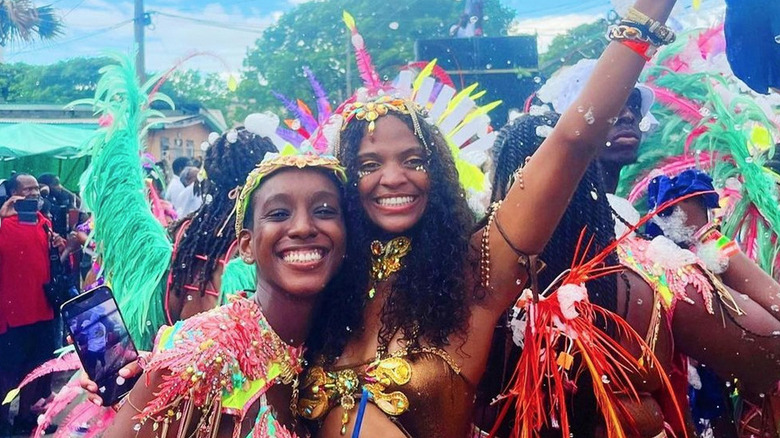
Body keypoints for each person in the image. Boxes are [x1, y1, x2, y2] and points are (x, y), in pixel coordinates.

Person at [296, 1, 681, 436]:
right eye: (368, 166)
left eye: (413, 160)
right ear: (346, 182)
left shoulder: (473, 271)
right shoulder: (327, 289)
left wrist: (643, 20)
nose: (393, 178)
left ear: (437, 172)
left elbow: (573, 142)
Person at [482, 113, 780, 437]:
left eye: (634, 107)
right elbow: (771, 353)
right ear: (589, 176)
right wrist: (705, 233)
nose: (626, 114)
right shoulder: (649, 268)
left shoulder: (465, 275)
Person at [103, 151, 348, 438]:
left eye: (324, 211)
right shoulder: (204, 353)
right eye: (279, 213)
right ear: (246, 245)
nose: (304, 227)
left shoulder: (337, 344)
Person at [0, 174, 64, 435]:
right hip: (11, 314)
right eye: (27, 190)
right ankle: (3, 422)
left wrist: (59, 248)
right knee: (7, 373)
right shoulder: (3, 225)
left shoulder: (44, 223)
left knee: (35, 369)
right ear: (13, 194)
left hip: (42, 311)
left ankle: (26, 418)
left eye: (37, 188)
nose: (34, 194)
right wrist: (2, 214)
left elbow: (49, 263)